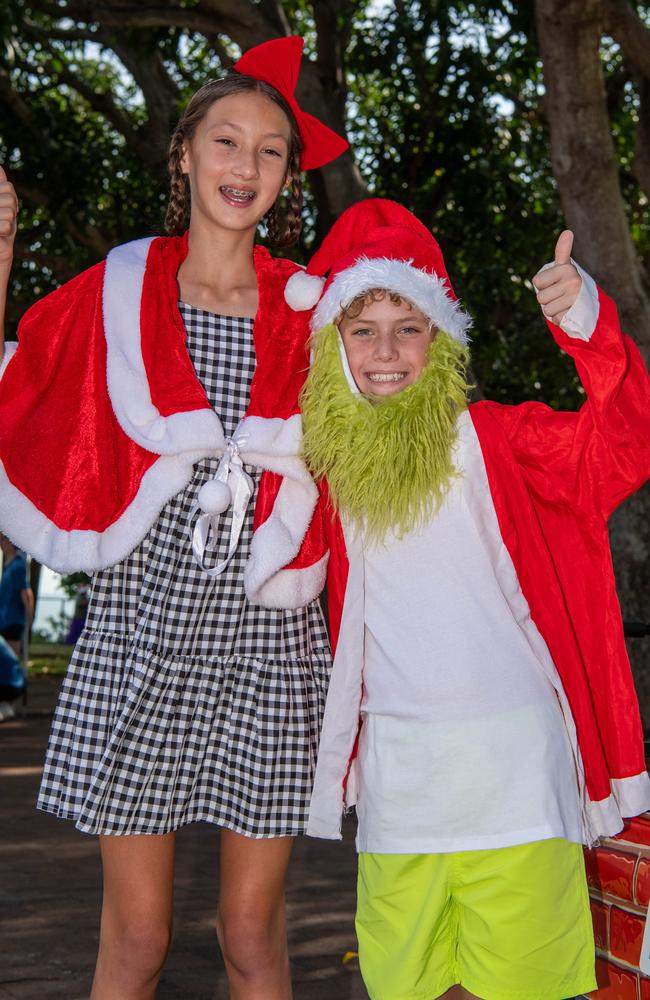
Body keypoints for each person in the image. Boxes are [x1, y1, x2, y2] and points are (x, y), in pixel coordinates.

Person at [0, 37, 347, 1000]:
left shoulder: (314, 309)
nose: (246, 166)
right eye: (226, 142)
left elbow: (385, 446)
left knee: (250, 938)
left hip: (271, 640)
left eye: (270, 150)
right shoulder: (117, 288)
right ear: (185, 153)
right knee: (140, 940)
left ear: (289, 170)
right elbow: (15, 391)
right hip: (141, 630)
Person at [285, 198, 650, 1000]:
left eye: (409, 326)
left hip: (518, 786)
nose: (386, 350)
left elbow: (623, 445)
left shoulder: (499, 438)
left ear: (442, 338)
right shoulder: (319, 469)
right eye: (361, 327)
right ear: (331, 344)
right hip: (397, 799)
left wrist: (587, 322)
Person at [0, 533, 33, 658]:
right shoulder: (8, 565)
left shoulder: (18, 565)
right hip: (3, 618)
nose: (2, 543)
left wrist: (29, 619)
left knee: (11, 658)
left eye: (4, 540)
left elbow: (26, 593)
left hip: (13, 620)